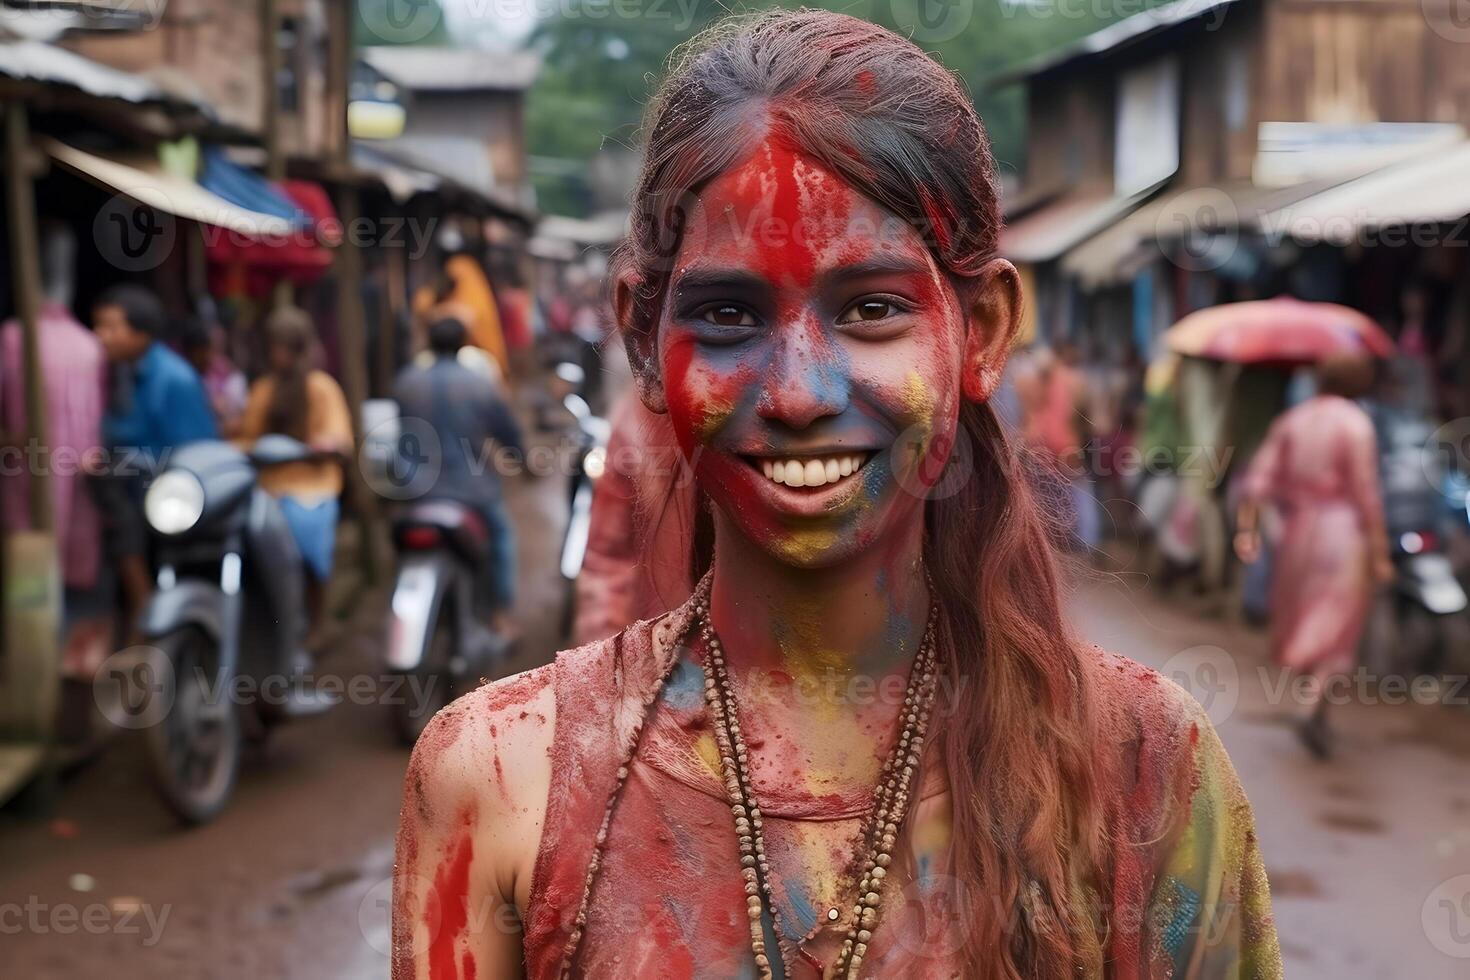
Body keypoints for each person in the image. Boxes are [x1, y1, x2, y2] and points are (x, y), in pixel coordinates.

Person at [393, 13, 1280, 980]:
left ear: (981, 331)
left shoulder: (1145, 771)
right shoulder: (499, 778)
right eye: (727, 315)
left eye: (871, 309)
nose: (799, 394)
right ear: (645, 341)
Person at [1235, 353, 1390, 759]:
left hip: (1297, 534)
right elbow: (1366, 492)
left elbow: (1257, 483)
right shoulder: (1356, 424)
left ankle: (1316, 708)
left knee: (1306, 617)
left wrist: (1249, 530)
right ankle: (1310, 707)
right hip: (1343, 534)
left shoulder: (1292, 420)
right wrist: (1379, 550)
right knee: (1339, 625)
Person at [95, 284, 218, 631]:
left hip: (171, 498)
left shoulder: (174, 380)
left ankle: (143, 608)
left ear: (141, 334)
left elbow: (197, 453)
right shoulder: (123, 372)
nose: (100, 336)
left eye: (110, 327)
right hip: (138, 490)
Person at [392, 317, 524, 635]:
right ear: (464, 344)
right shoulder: (479, 384)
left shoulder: (406, 381)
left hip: (416, 490)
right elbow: (508, 432)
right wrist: (522, 458)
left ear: (429, 343)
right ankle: (500, 614)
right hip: (472, 490)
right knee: (501, 538)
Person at [238, 306, 352, 641]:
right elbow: (249, 437)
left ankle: (317, 622)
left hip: (313, 488)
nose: (278, 354)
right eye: (274, 345)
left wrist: (325, 445)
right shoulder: (263, 389)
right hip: (270, 489)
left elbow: (340, 439)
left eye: (285, 346)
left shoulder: (321, 388)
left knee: (309, 550)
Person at [181, 317, 248, 438]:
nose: (211, 356)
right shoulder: (184, 378)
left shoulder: (227, 371)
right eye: (210, 348)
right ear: (197, 351)